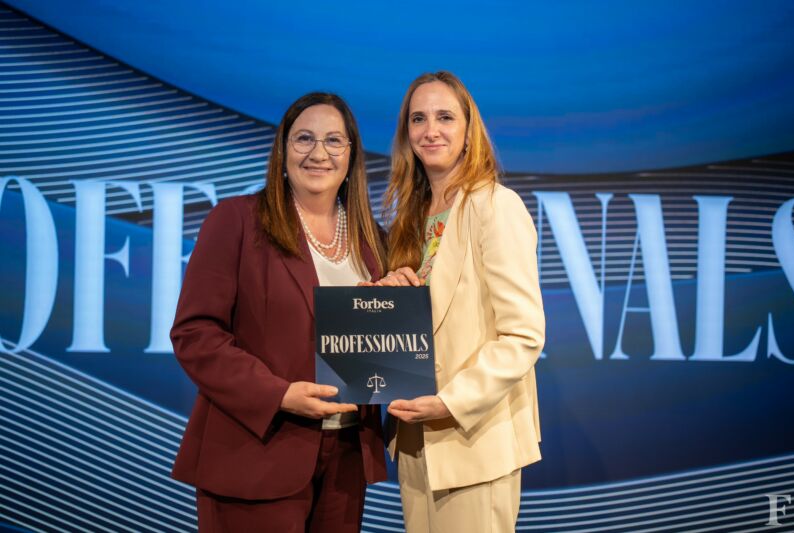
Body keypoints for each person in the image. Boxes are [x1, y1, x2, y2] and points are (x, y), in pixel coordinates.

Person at [170, 92, 387, 533]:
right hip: (255, 452)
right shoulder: (237, 220)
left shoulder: (374, 241)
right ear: (283, 149)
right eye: (304, 138)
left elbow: (381, 348)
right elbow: (196, 333)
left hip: (346, 461)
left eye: (334, 140)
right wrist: (278, 395)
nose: (319, 153)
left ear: (351, 155)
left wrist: (398, 300)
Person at [375, 71, 545, 532]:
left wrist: (449, 402)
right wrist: (386, 300)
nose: (430, 130)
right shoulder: (410, 218)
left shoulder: (495, 205)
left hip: (473, 440)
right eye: (418, 119)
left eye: (445, 117)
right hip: (414, 436)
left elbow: (523, 336)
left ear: (469, 131)